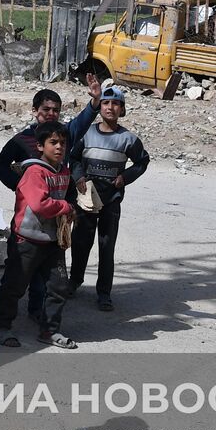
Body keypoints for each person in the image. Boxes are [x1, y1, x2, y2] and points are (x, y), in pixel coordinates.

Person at [0, 76, 100, 320]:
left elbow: (82, 122)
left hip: (55, 223)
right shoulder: (23, 139)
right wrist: (21, 188)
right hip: (29, 224)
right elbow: (0, 165)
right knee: (17, 274)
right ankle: (0, 317)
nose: (51, 114)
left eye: (56, 110)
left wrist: (94, 102)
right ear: (34, 111)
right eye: (46, 110)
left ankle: (37, 314)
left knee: (46, 276)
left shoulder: (63, 135)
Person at [0, 121, 77, 349]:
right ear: (40, 146)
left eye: (63, 143)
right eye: (53, 142)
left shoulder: (63, 171)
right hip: (27, 240)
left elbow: (66, 195)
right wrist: (66, 208)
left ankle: (50, 330)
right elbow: (39, 205)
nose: (59, 147)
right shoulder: (34, 172)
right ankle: (1, 325)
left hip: (52, 241)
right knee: (15, 286)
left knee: (58, 287)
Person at [68, 85, 151, 311]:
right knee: (80, 243)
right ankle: (74, 281)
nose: (110, 107)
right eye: (105, 103)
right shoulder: (86, 133)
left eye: (115, 104)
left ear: (122, 109)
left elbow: (142, 162)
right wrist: (78, 177)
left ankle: (104, 293)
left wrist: (125, 177)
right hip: (86, 200)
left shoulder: (128, 139)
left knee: (106, 247)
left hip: (111, 201)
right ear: (100, 107)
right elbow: (73, 158)